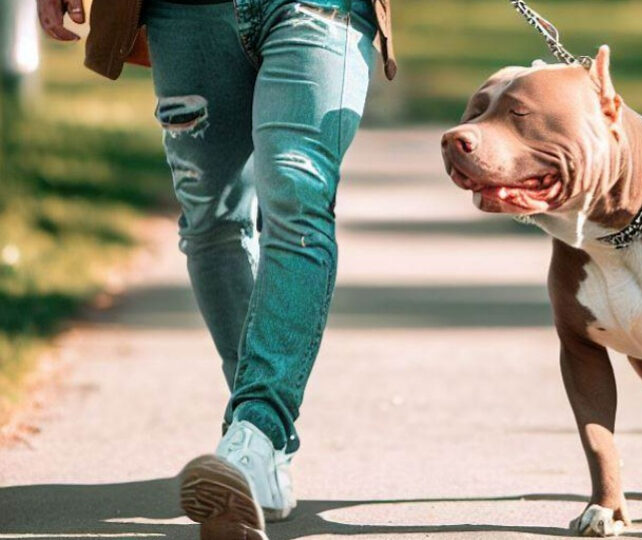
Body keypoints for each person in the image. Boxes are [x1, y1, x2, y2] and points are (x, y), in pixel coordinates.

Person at [37, 0, 395, 535]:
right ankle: (256, 456)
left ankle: (256, 432)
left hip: (319, 8)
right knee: (213, 221)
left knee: (297, 191)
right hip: (185, 14)